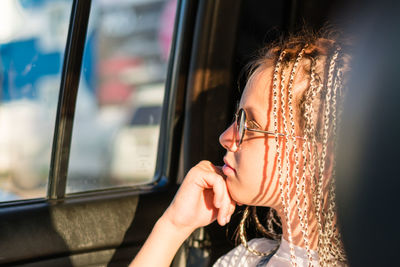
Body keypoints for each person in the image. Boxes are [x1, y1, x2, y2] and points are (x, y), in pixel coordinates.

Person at [130, 30, 350, 267]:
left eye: (250, 125)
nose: (225, 137)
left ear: (319, 155)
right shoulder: (246, 259)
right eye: (237, 118)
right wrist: (173, 226)